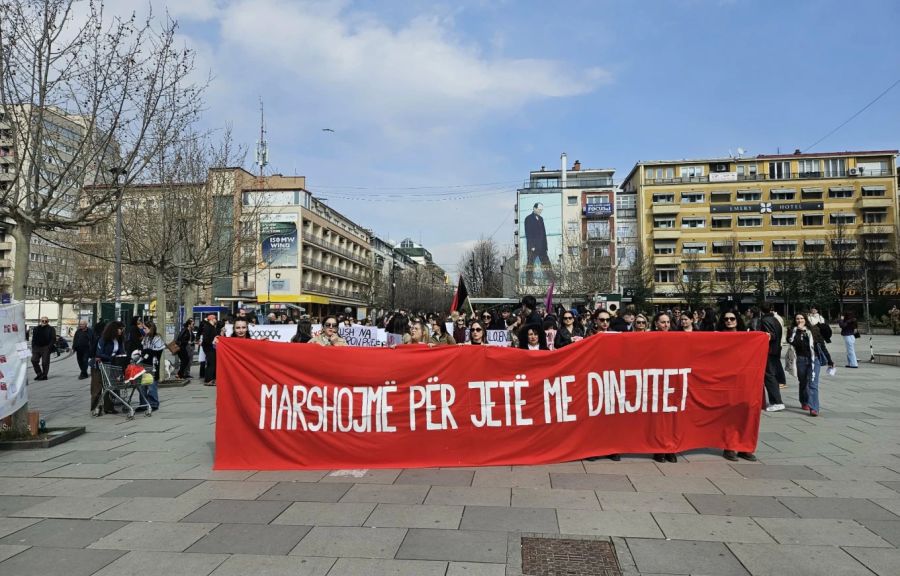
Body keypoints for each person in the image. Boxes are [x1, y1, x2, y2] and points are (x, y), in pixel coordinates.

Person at [651, 312, 677, 463]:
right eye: (662, 322)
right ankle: (658, 448)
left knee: (671, 416)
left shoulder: (676, 338)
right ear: (656, 323)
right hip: (655, 381)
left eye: (668, 322)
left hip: (672, 381)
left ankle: (670, 448)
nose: (666, 325)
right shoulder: (649, 337)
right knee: (657, 417)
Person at [93, 321, 125, 416]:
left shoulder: (118, 339)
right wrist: (111, 357)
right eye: (120, 329)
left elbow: (120, 351)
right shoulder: (103, 339)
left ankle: (109, 406)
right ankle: (100, 407)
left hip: (113, 365)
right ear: (114, 329)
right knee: (103, 387)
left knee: (111, 386)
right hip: (103, 364)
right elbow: (99, 354)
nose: (122, 331)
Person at [759, 302, 786, 412]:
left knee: (769, 376)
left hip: (769, 351)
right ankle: (776, 401)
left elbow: (771, 335)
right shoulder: (776, 319)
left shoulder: (765, 320)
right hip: (775, 350)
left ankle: (776, 402)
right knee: (771, 375)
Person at [523, 202, 554, 284]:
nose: (540, 211)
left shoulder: (541, 219)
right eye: (539, 209)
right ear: (534, 208)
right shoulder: (528, 219)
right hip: (533, 247)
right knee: (530, 264)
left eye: (541, 210)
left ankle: (552, 279)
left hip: (542, 247)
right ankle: (529, 281)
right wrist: (532, 246)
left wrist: (546, 246)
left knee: (547, 263)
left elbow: (544, 233)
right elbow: (528, 233)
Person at [30, 316, 56, 380]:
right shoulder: (36, 328)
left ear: (48, 321)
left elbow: (53, 339)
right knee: (34, 360)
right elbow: (33, 338)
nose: (44, 322)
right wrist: (33, 346)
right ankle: (39, 374)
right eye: (43, 321)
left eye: (46, 321)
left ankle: (44, 375)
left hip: (46, 347)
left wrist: (49, 347)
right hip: (36, 347)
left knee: (45, 362)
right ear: (40, 321)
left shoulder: (51, 329)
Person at [200, 313, 220, 386]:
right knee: (211, 364)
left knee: (212, 363)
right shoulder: (207, 327)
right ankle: (208, 380)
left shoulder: (211, 326)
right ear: (212, 319)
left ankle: (211, 379)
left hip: (211, 347)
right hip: (209, 348)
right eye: (215, 319)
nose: (216, 320)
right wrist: (212, 341)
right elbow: (206, 339)